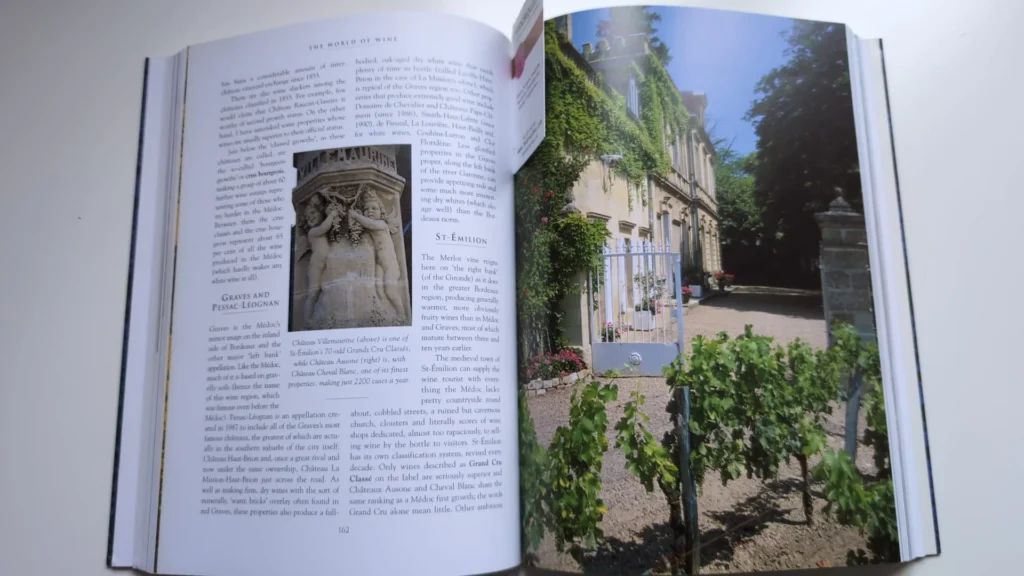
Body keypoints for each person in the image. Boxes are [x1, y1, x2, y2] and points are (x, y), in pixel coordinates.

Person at [348, 190, 406, 321]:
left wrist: (356, 216)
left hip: (390, 266)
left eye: (374, 208)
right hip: (380, 263)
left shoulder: (381, 225)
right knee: (378, 289)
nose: (370, 211)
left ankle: (401, 313)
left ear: (381, 212)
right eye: (366, 209)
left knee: (390, 291)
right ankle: (384, 312)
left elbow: (370, 224)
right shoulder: (370, 227)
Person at [302, 194, 337, 327]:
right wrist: (332, 215)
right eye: (307, 217)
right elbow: (324, 227)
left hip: (325, 264)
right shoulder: (313, 232)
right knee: (313, 292)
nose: (310, 217)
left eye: (312, 213)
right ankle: (307, 319)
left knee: (323, 290)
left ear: (321, 211)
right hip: (316, 265)